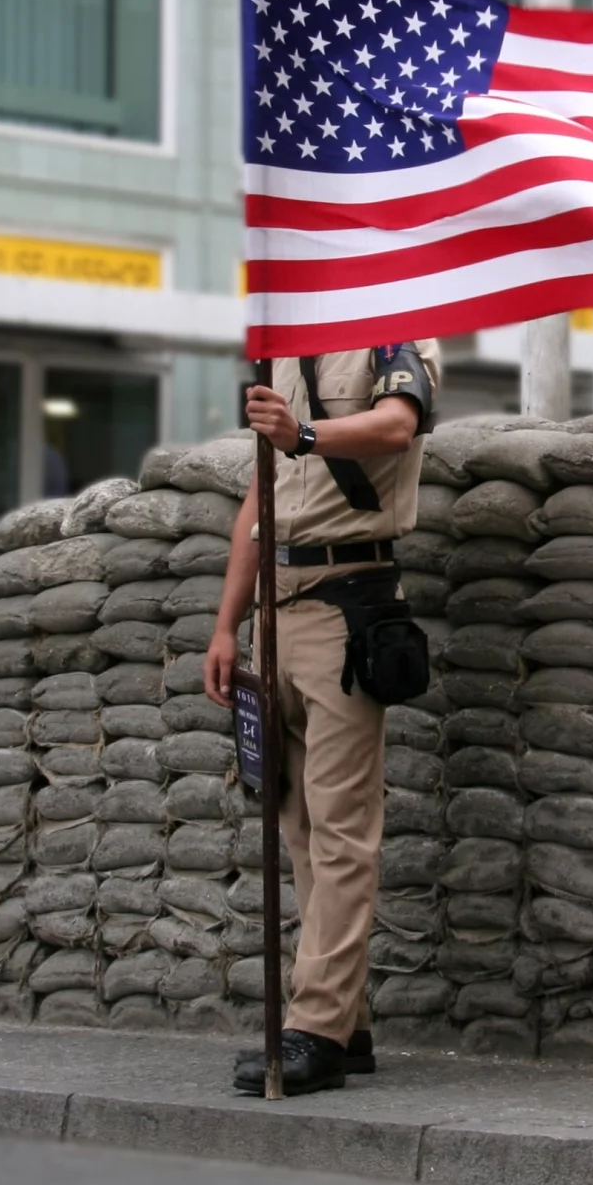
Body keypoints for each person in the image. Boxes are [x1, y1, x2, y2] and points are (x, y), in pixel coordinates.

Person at [205, 340, 441, 1097]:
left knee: (341, 828)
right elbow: (260, 497)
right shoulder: (282, 358)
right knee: (300, 827)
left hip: (350, 598)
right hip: (277, 609)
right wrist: (227, 626)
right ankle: (346, 1020)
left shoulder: (394, 337)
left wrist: (302, 433)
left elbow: (397, 426)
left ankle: (315, 1029)